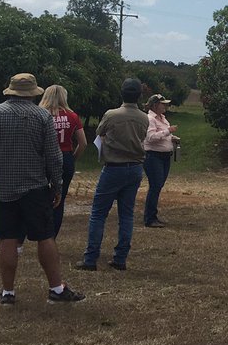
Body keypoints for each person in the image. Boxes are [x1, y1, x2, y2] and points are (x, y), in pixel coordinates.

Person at [0, 72, 84, 305]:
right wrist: (57, 187)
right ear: (33, 93)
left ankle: (8, 292)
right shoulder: (42, 116)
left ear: (10, 91)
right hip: (35, 187)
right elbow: (54, 158)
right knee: (45, 236)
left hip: (2, 189)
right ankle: (56, 288)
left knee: (8, 237)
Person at [76, 78, 149, 272]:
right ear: (139, 96)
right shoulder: (144, 117)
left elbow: (100, 132)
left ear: (121, 93)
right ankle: (120, 258)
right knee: (126, 215)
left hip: (113, 168)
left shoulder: (111, 114)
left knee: (98, 214)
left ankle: (90, 259)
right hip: (135, 168)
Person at [40, 85, 87, 239]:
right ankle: (51, 237)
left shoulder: (40, 114)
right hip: (65, 156)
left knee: (39, 196)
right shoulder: (72, 116)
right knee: (59, 198)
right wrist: (72, 158)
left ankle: (38, 232)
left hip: (43, 158)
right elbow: (83, 143)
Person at [143, 94, 179, 228]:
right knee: (155, 185)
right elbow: (151, 137)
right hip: (153, 156)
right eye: (162, 104)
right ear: (154, 105)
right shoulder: (150, 119)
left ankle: (152, 216)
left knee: (158, 185)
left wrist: (171, 137)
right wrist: (168, 131)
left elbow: (163, 135)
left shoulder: (162, 118)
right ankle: (149, 218)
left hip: (163, 156)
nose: (165, 106)